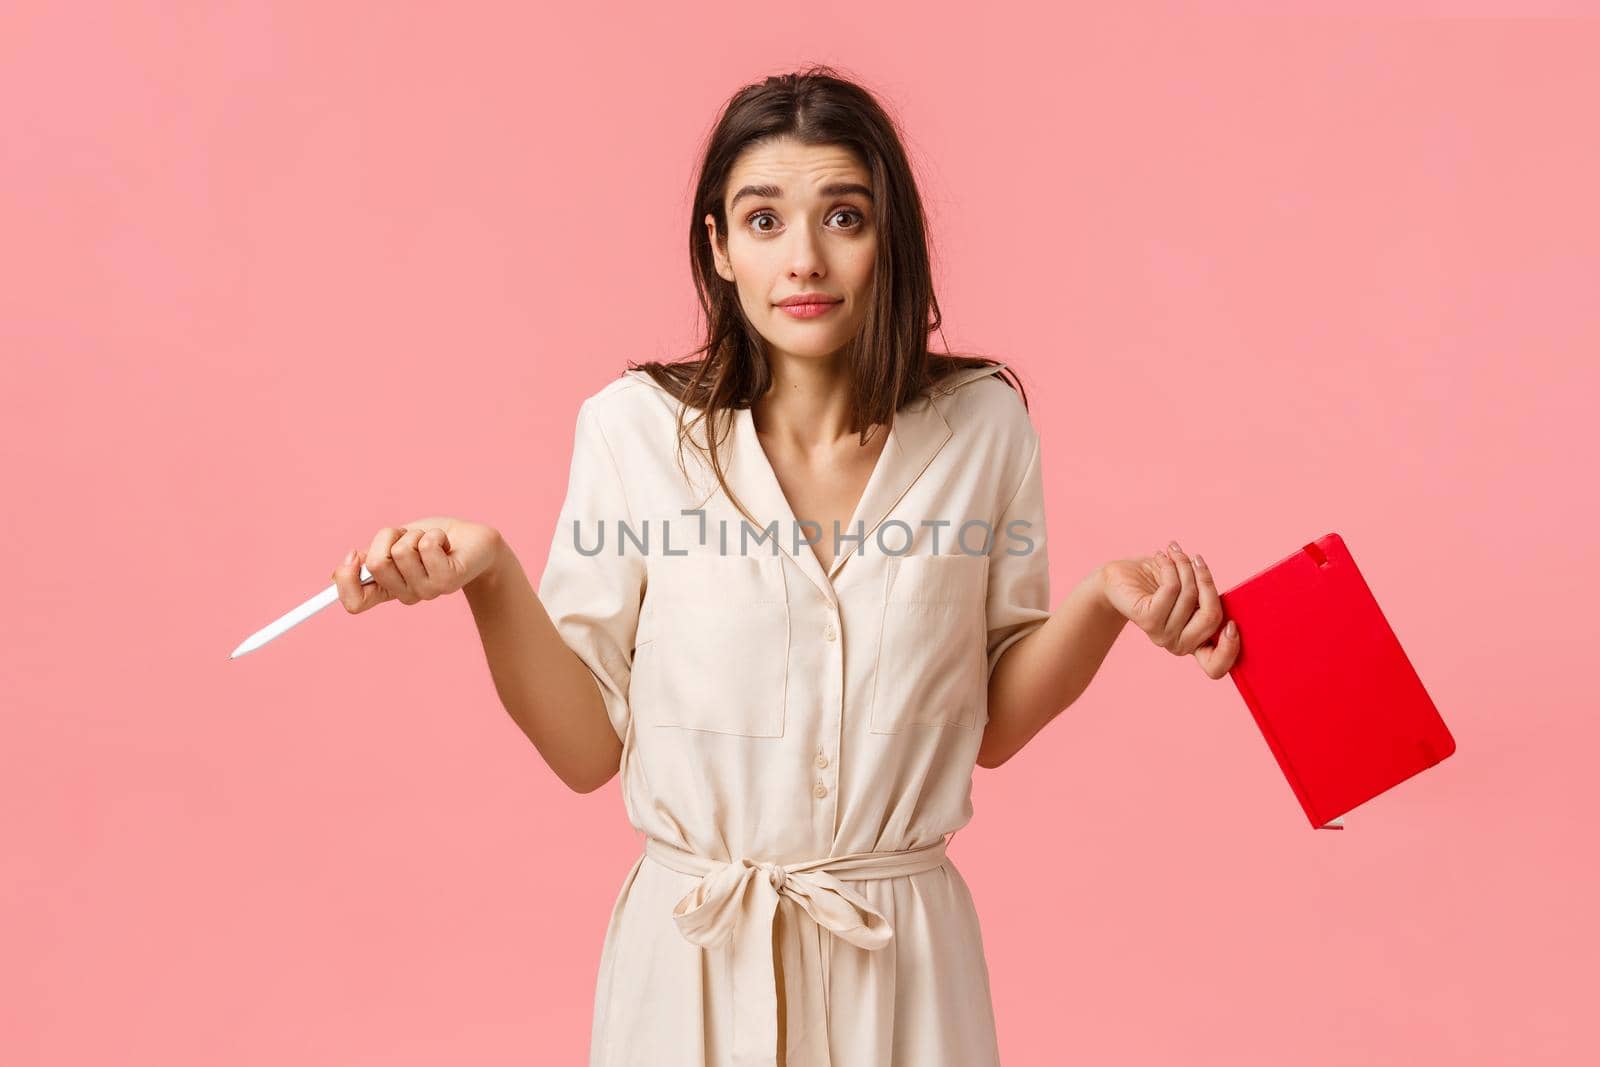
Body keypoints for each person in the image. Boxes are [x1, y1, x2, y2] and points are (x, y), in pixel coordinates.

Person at [330, 66, 1241, 1067]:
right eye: (763, 221)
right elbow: (588, 748)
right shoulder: (633, 432)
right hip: (692, 968)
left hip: (905, 963)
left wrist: (1105, 603)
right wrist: (491, 575)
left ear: (887, 235)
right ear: (718, 247)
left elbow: (989, 722)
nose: (803, 258)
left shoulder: (984, 424)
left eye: (842, 216)